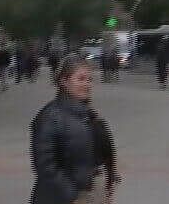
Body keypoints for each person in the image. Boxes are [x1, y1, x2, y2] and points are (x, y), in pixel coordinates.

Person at [30, 58, 120, 204]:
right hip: (67, 196)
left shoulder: (88, 114)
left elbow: (101, 153)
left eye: (89, 79)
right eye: (81, 79)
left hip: (94, 191)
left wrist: (108, 183)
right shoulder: (50, 116)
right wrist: (71, 196)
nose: (87, 84)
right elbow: (45, 166)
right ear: (64, 82)